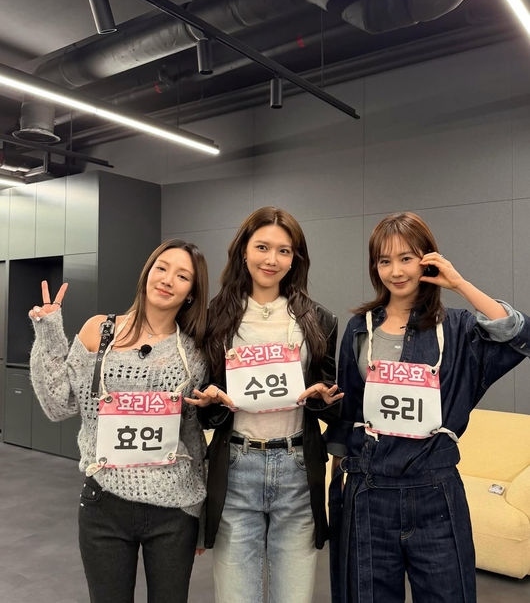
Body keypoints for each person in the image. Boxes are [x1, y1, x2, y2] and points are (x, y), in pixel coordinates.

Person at [325, 211, 530, 603]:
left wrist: (460, 284)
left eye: (407, 258)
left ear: (428, 259)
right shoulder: (359, 328)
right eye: (384, 260)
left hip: (436, 492)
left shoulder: (458, 328)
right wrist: (339, 485)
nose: (396, 271)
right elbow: (348, 413)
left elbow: (520, 335)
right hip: (368, 492)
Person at [28, 239, 210, 603]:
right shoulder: (99, 331)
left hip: (175, 509)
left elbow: (191, 434)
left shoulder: (192, 353)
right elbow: (58, 405)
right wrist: (48, 331)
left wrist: (200, 511)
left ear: (191, 292)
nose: (167, 279)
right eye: (161, 268)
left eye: (182, 276)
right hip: (104, 504)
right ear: (147, 272)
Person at [185, 206, 343, 603]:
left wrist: (323, 397)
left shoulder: (319, 319)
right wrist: (211, 401)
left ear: (295, 259)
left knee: (294, 595)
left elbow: (330, 397)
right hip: (237, 466)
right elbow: (206, 411)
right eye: (262, 247)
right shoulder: (214, 318)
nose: (272, 259)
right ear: (243, 251)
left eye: (284, 251)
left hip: (297, 468)